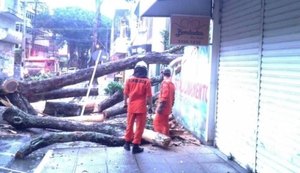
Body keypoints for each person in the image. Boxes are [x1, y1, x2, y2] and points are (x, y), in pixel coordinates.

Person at [123, 61, 152, 154]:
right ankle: (135, 146)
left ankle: (127, 143)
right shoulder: (147, 81)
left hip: (131, 106)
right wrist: (150, 106)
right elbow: (149, 96)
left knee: (129, 125)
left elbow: (125, 93)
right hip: (141, 107)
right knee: (140, 127)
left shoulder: (129, 79)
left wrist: (125, 103)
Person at [153, 68, 175, 136]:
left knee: (157, 122)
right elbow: (173, 98)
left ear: (163, 74)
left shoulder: (165, 83)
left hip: (163, 108)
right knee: (165, 124)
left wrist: (159, 108)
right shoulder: (172, 84)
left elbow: (164, 97)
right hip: (168, 108)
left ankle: (160, 139)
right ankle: (166, 138)